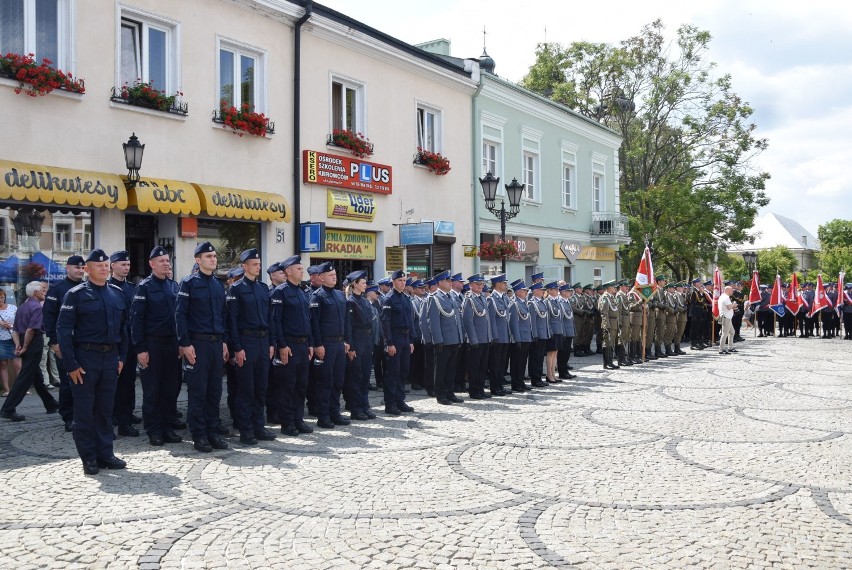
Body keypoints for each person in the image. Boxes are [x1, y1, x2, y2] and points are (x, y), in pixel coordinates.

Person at [57, 250, 128, 475]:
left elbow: (124, 329)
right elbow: (63, 331)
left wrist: (121, 357)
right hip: (85, 359)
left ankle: (105, 453)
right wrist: (71, 365)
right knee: (85, 411)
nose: (104, 268)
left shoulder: (116, 293)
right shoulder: (75, 295)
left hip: (110, 358)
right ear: (87, 269)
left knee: (106, 409)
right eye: (99, 266)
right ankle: (88, 457)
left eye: (106, 265)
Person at [175, 242, 229, 453]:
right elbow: (180, 315)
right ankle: (199, 435)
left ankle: (213, 431)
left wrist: (224, 341)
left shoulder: (218, 284)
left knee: (215, 391)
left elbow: (223, 316)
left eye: (214, 256)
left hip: (216, 344)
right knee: (198, 391)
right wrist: (185, 343)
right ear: (198, 260)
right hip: (197, 344)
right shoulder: (188, 283)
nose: (213, 259)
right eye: (208, 256)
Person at [130, 246, 183, 447]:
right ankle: (154, 430)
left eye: (167, 261)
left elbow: (179, 317)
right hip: (152, 345)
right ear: (151, 264)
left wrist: (181, 342)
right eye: (161, 261)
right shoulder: (143, 288)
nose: (166, 264)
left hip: (172, 344)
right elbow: (136, 321)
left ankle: (167, 427)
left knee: (171, 388)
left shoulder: (173, 286)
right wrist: (140, 349)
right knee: (152, 390)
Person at [227, 248, 276, 445]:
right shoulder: (236, 289)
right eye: (254, 264)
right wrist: (237, 348)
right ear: (244, 266)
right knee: (246, 389)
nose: (258, 267)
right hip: (246, 343)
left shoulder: (264, 288)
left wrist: (272, 343)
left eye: (259, 264)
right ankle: (246, 430)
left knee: (261, 387)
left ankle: (259, 426)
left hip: (263, 342)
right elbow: (232, 321)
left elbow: (270, 318)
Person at [1, 281, 58, 421]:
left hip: (23, 340)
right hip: (33, 342)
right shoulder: (37, 307)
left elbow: (15, 329)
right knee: (26, 376)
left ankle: (50, 403)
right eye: (42, 290)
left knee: (35, 374)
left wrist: (18, 345)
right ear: (35, 293)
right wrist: (25, 346)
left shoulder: (22, 306)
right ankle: (8, 408)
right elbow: (31, 329)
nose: (45, 292)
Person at [271, 255, 314, 436]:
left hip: (303, 346)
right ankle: (287, 422)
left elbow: (308, 321)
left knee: (301, 385)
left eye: (302, 268)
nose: (301, 271)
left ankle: (298, 419)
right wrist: (281, 345)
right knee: (287, 386)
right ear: (288, 272)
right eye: (298, 268)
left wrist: (311, 343)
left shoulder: (302, 292)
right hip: (289, 345)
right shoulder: (280, 292)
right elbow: (276, 321)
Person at [43, 255, 85, 431]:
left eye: (83, 268)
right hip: (65, 343)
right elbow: (49, 317)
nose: (80, 271)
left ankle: (83, 415)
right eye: (77, 268)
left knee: (85, 381)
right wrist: (54, 342)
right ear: (67, 268)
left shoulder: (87, 288)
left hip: (84, 343)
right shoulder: (57, 289)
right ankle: (68, 416)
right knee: (68, 382)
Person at [309, 261, 352, 428]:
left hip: (339, 344)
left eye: (335, 275)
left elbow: (346, 321)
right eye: (330, 275)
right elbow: (314, 324)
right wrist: (318, 344)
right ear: (321, 277)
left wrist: (346, 341)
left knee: (338, 381)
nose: (334, 277)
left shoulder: (340, 295)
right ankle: (323, 415)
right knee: (324, 382)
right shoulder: (317, 296)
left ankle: (335, 412)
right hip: (325, 344)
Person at [108, 251, 140, 438]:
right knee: (111, 384)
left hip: (129, 342)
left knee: (128, 383)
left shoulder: (132, 288)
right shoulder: (107, 287)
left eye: (128, 265)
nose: (126, 268)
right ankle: (112, 417)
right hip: (113, 343)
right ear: (113, 265)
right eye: (122, 265)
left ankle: (125, 418)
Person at [380, 270, 416, 416]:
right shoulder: (389, 299)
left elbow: (411, 321)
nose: (403, 283)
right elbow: (385, 322)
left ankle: (400, 400)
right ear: (393, 282)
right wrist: (389, 343)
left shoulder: (406, 298)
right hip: (394, 338)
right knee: (392, 373)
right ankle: (390, 404)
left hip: (406, 339)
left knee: (403, 372)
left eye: (404, 280)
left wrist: (412, 340)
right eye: (400, 280)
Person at [426, 270, 464, 405]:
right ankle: (440, 394)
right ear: (440, 282)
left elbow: (457, 319)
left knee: (451, 368)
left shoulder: (451, 297)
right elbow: (433, 321)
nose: (450, 283)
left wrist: (460, 337)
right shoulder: (434, 298)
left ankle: (450, 392)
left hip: (454, 339)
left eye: (450, 281)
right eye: (447, 281)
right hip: (444, 340)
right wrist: (438, 340)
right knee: (441, 368)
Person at [343, 270, 376, 420]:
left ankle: (364, 405)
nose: (365, 285)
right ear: (355, 284)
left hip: (367, 341)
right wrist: (351, 346)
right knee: (355, 377)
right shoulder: (350, 301)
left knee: (365, 377)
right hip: (356, 341)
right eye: (362, 283)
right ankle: (356, 408)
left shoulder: (363, 300)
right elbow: (348, 326)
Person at [487, 275, 512, 394]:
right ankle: (494, 387)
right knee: (495, 363)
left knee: (502, 363)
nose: (506, 285)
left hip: (505, 335)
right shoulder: (491, 299)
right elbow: (491, 320)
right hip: (497, 337)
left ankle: (500, 385)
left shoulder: (503, 298)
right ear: (497, 284)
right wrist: (494, 336)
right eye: (504, 283)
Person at [508, 281, 534, 391]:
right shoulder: (514, 304)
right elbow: (513, 323)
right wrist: (517, 339)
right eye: (524, 290)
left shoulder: (524, 303)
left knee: (523, 361)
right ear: (518, 291)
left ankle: (521, 382)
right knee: (516, 362)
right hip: (519, 338)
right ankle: (516, 383)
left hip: (526, 337)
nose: (526, 292)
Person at [527, 283, 550, 387]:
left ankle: (539, 377)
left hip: (543, 334)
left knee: (540, 357)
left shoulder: (541, 302)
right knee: (535, 358)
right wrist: (535, 334)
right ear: (535, 291)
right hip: (537, 335)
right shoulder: (532, 303)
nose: (543, 292)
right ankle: (535, 378)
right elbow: (533, 321)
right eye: (541, 290)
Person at [0, 289, 19, 397]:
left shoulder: (12, 307)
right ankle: (7, 389)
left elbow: (19, 321)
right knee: (3, 364)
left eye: (2, 297)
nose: (0, 300)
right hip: (1, 340)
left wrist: (10, 325)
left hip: (13, 338)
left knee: (17, 364)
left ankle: (21, 388)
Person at [598, 281, 621, 370]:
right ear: (608, 288)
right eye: (613, 287)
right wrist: (606, 325)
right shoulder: (605, 298)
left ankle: (610, 362)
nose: (614, 288)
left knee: (612, 343)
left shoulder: (611, 297)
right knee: (607, 343)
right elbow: (604, 313)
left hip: (614, 323)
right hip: (609, 324)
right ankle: (606, 363)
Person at [543, 282, 563, 383]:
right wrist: (549, 331)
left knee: (555, 353)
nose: (557, 291)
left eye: (557, 289)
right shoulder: (547, 302)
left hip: (558, 330)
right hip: (552, 331)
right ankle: (549, 374)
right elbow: (547, 319)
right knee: (550, 353)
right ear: (549, 290)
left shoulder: (557, 301)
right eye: (555, 289)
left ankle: (554, 374)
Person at [717, 285, 737, 354]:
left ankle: (730, 347)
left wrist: (732, 306)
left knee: (732, 332)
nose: (732, 292)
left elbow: (728, 307)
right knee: (724, 333)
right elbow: (729, 307)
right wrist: (733, 305)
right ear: (727, 290)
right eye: (731, 290)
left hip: (727, 317)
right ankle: (721, 349)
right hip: (726, 317)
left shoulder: (723, 297)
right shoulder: (726, 297)